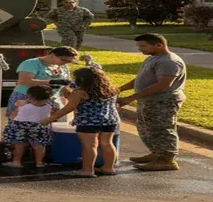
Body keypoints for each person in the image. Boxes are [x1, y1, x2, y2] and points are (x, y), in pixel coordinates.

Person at [117, 33, 187, 172]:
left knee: (162, 128)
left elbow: (163, 85)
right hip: (149, 100)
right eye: (139, 46)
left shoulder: (169, 61)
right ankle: (156, 153)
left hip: (163, 101)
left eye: (143, 46)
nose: (140, 49)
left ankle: (166, 160)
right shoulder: (152, 58)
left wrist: (131, 97)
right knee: (146, 127)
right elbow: (140, 79)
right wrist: (120, 89)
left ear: (159, 45)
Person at [41, 67, 120, 177]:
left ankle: (87, 170)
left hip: (88, 121)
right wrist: (69, 93)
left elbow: (70, 107)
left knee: (90, 146)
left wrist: (49, 119)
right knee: (107, 143)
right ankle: (109, 168)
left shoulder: (80, 92)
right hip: (110, 120)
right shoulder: (111, 89)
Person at [7, 45, 76, 117]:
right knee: (20, 123)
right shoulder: (31, 63)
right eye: (64, 60)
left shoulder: (63, 66)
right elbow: (24, 81)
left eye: (69, 61)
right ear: (53, 55)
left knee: (43, 124)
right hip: (27, 97)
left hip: (50, 98)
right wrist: (50, 82)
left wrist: (69, 97)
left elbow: (65, 84)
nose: (66, 63)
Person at [1, 85, 54, 169]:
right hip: (39, 126)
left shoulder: (21, 103)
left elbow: (13, 114)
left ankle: (16, 162)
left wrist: (12, 119)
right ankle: (39, 162)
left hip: (20, 125)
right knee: (39, 145)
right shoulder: (49, 105)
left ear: (29, 96)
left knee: (19, 145)